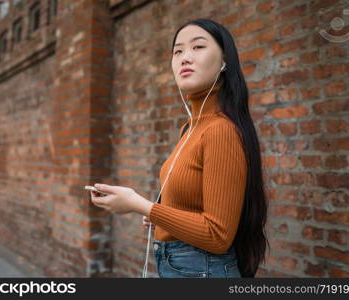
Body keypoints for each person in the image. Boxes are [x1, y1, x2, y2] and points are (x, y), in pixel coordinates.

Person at [90, 18, 269, 278]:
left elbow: (217, 235)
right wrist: (160, 217)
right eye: (178, 51)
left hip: (203, 269)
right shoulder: (191, 128)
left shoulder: (219, 130)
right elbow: (194, 207)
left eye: (198, 47)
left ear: (224, 62)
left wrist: (140, 205)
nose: (185, 57)